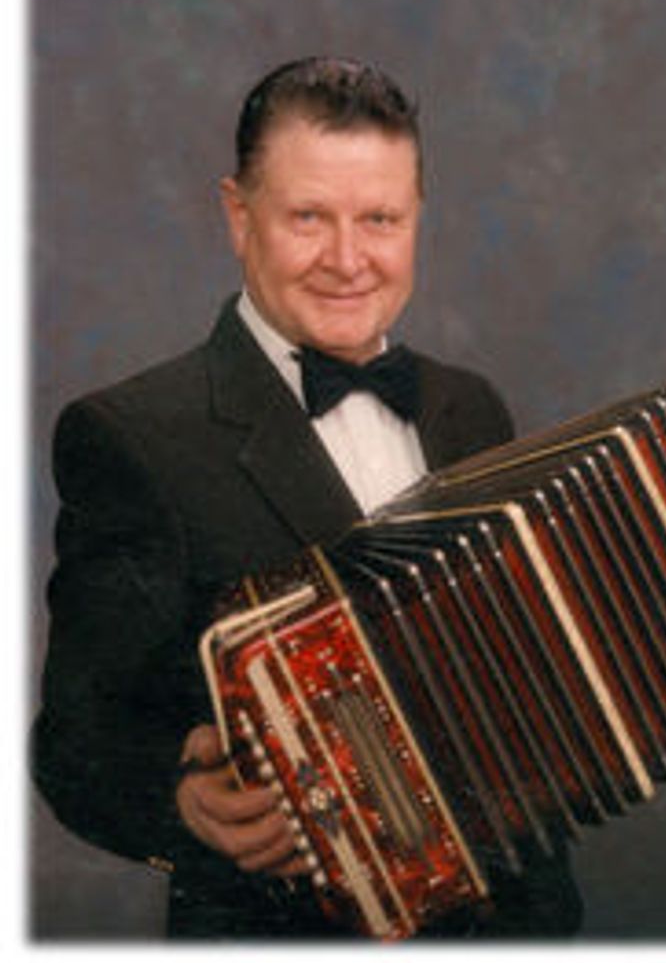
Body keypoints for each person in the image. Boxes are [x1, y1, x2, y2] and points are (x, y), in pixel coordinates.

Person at [32, 56, 583, 940]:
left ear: (416, 219)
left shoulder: (471, 408)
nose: (348, 260)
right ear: (238, 216)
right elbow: (73, 744)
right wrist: (180, 800)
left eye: (380, 219)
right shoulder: (132, 437)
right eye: (307, 218)